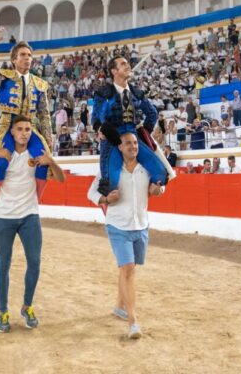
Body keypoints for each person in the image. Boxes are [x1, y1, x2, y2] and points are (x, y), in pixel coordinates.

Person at [0, 116, 65, 332]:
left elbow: (61, 179)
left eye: (28, 129)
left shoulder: (38, 155)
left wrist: (51, 161)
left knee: (34, 262)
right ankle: (3, 311)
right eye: (20, 129)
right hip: (3, 216)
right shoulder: (2, 154)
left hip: (29, 215)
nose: (24, 133)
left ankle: (27, 306)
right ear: (12, 132)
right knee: (3, 264)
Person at [87, 132, 165, 339]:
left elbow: (160, 186)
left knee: (128, 269)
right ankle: (133, 322)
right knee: (128, 270)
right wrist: (105, 199)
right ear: (119, 147)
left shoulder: (147, 168)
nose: (133, 146)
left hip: (141, 226)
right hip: (118, 226)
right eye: (128, 143)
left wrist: (159, 190)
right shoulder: (108, 170)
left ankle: (119, 306)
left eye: (135, 143)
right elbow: (91, 193)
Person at [0, 28, 55, 217]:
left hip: (29, 128)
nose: (27, 58)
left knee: (44, 162)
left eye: (29, 55)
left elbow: (43, 113)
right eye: (23, 55)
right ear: (14, 60)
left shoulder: (39, 84)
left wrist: (48, 138)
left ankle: (33, 203)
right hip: (8, 126)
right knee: (1, 164)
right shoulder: (4, 76)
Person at [92, 56, 171, 196]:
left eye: (127, 63)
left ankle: (141, 193)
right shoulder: (104, 93)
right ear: (114, 71)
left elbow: (152, 114)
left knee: (160, 174)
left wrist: (144, 132)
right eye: (123, 64)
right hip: (112, 137)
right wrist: (100, 129)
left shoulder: (136, 92)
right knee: (109, 184)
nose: (128, 66)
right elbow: (96, 118)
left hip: (133, 136)